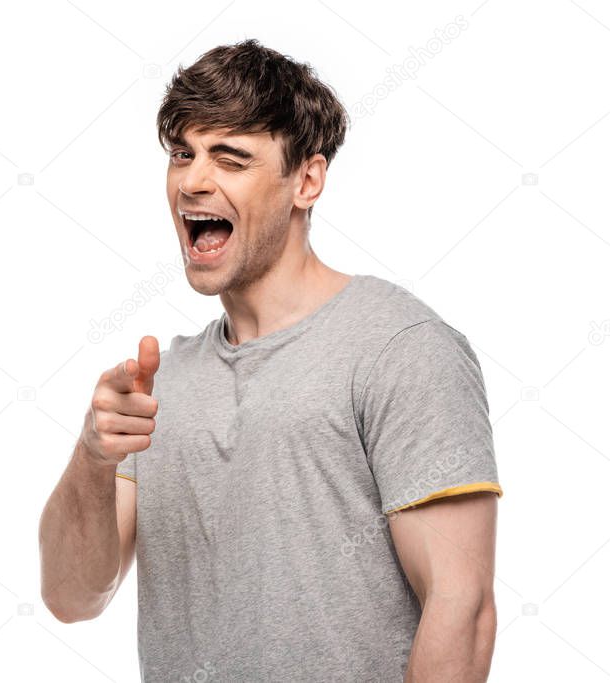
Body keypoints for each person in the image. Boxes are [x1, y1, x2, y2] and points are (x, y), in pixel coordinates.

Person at [38, 38, 503, 681]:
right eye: (183, 154)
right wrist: (93, 455)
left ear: (306, 181)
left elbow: (463, 606)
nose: (194, 180)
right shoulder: (160, 384)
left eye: (230, 158)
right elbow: (71, 596)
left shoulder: (401, 347)